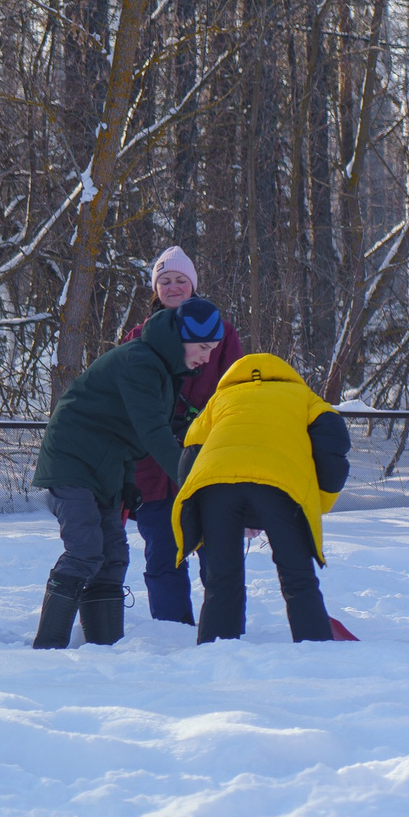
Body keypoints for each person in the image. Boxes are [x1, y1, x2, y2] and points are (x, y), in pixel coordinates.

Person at [29, 296, 225, 649]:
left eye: (213, 349)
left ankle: (104, 647)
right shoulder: (142, 361)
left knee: (114, 554)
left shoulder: (164, 369)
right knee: (86, 549)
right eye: (203, 347)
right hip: (72, 462)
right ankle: (48, 647)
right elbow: (153, 433)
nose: (207, 357)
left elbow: (125, 431)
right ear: (182, 337)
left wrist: (128, 481)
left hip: (107, 467)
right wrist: (194, 483)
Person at [171, 354, 352, 642]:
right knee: (297, 576)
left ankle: (215, 653)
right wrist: (318, 502)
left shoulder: (220, 400)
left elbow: (191, 452)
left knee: (221, 579)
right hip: (281, 486)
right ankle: (316, 648)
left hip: (216, 487)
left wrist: (203, 510)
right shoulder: (303, 397)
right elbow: (334, 445)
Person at [119, 246, 245, 624]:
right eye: (165, 281)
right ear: (155, 289)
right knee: (162, 553)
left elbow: (235, 393)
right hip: (153, 467)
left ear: (193, 285)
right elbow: (130, 397)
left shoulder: (222, 333)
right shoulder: (138, 336)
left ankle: (222, 629)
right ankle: (172, 632)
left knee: (218, 551)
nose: (173, 287)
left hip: (209, 459)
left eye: (180, 280)